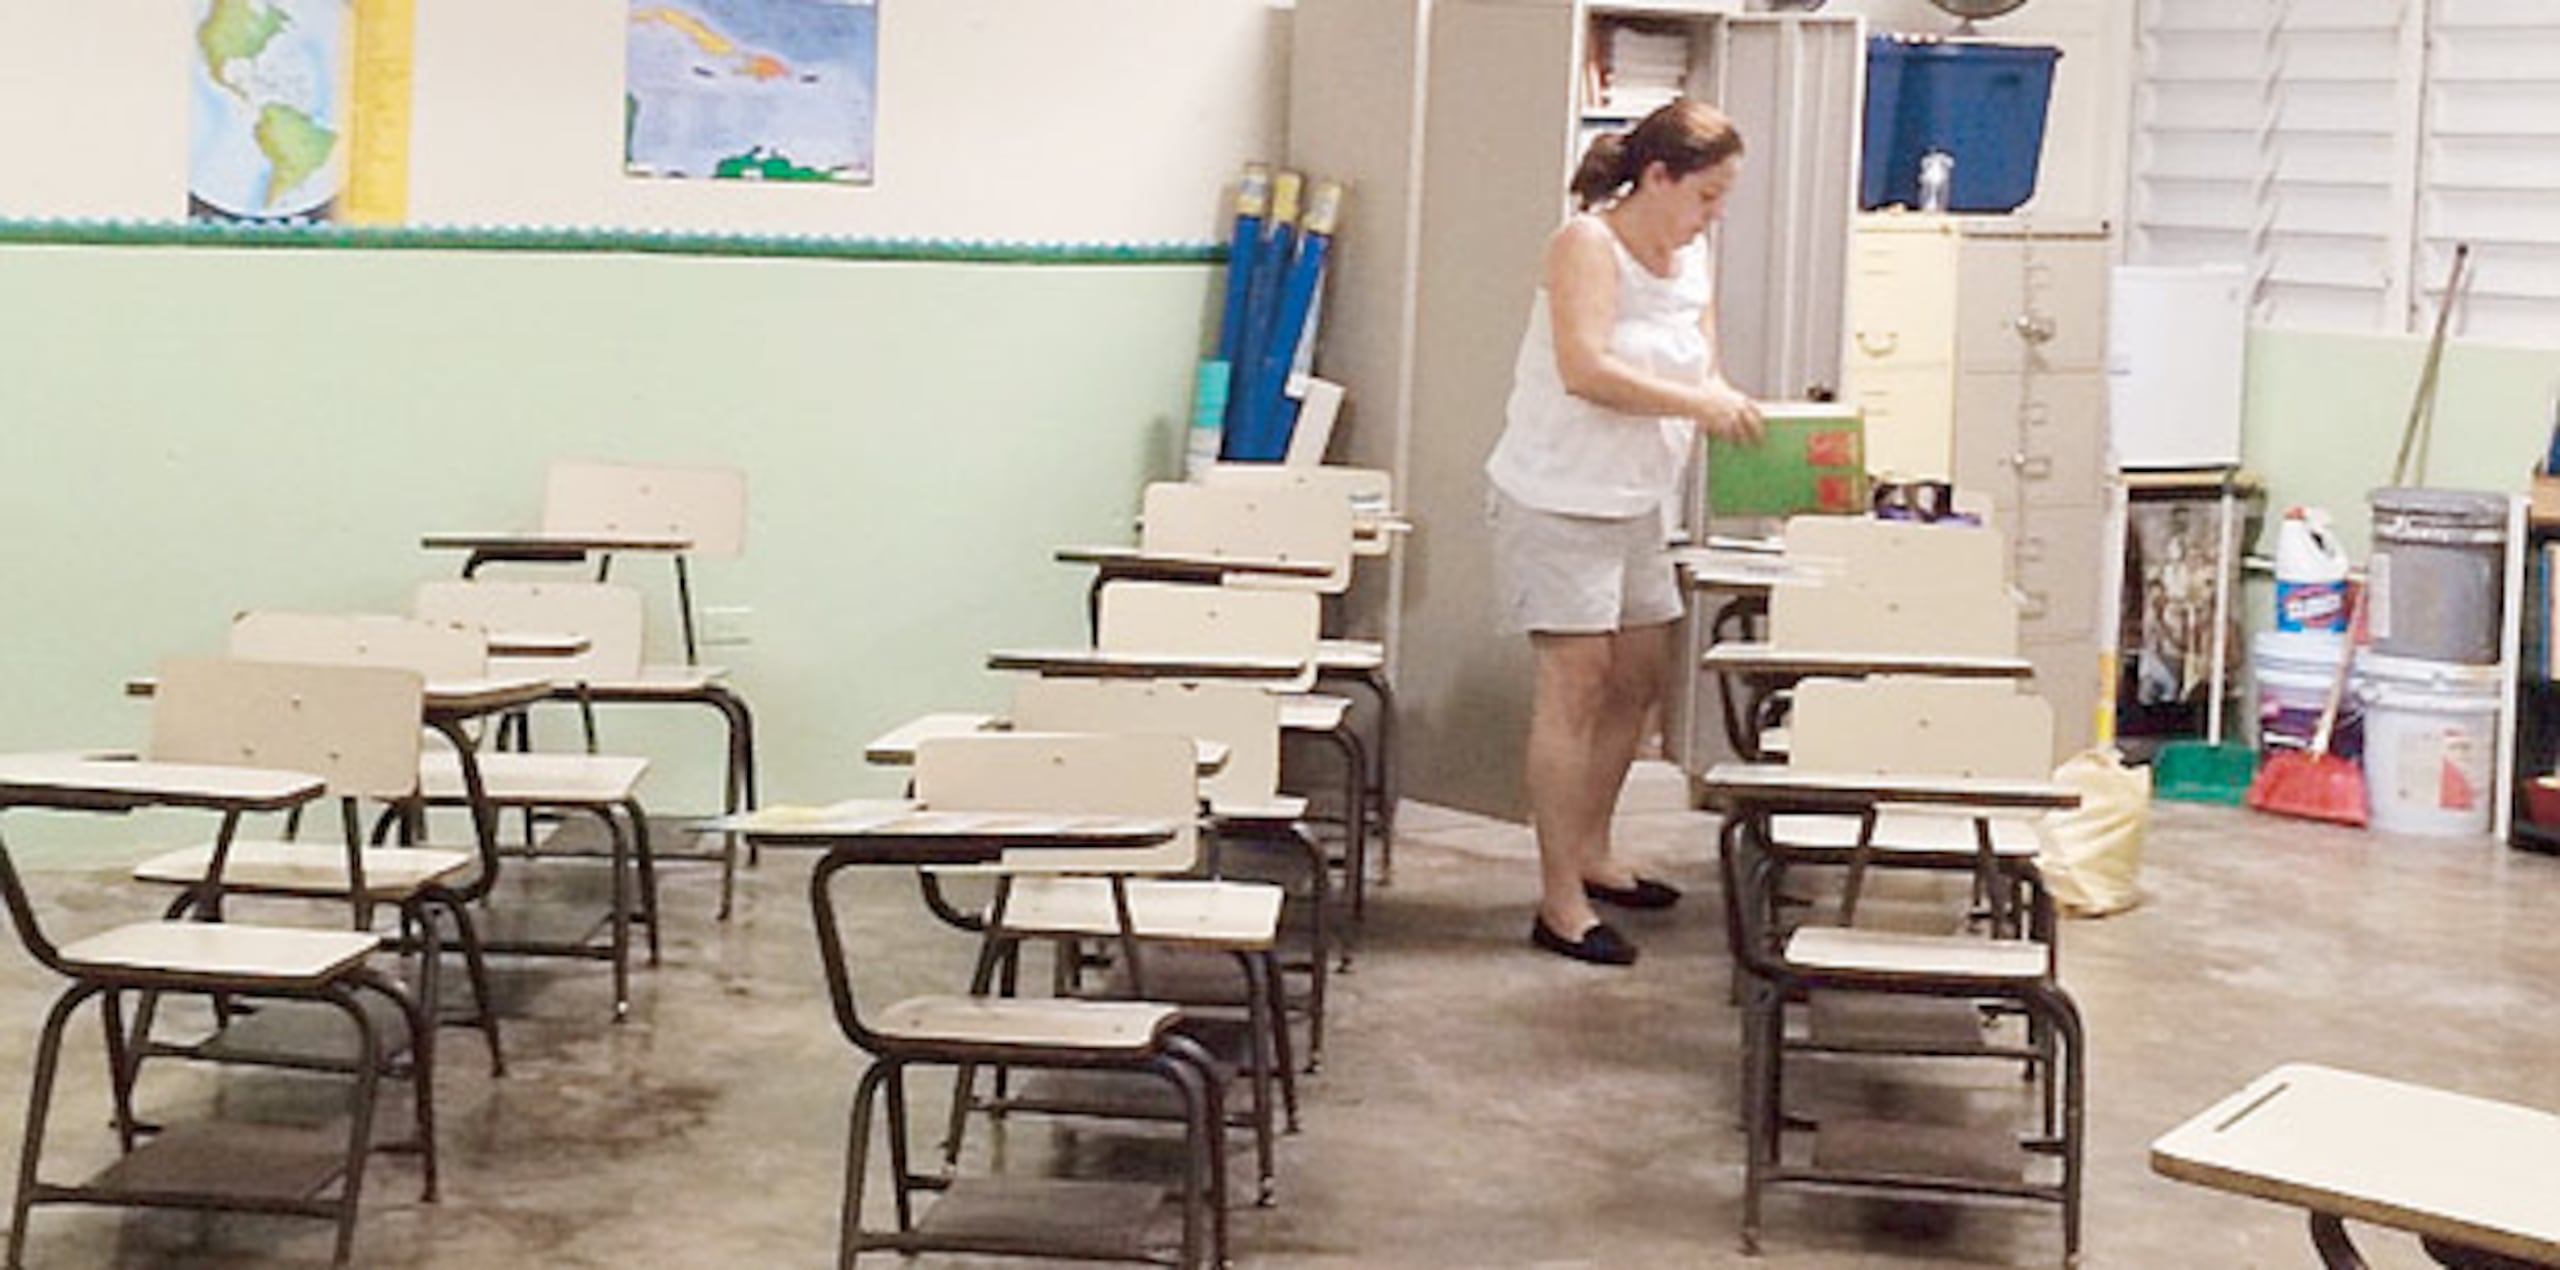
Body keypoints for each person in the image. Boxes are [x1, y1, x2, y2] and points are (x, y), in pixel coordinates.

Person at [1485, 98, 1765, 967]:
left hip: (1642, 498)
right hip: (1559, 492)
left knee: (1641, 677)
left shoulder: (1691, 256)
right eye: (1706, 196)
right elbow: (1586, 368)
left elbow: (1703, 364)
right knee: (1576, 685)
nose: (1713, 215)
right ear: (1657, 178)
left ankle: (1595, 852)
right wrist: (1700, 405)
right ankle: (1559, 900)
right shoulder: (1585, 244)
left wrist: (1739, 414)